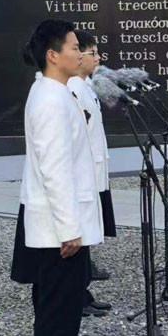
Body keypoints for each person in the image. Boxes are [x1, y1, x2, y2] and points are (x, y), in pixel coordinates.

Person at [10, 19, 103, 336]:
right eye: (72, 47)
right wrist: (69, 230)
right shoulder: (48, 99)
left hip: (66, 225)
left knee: (64, 317)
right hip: (57, 232)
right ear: (53, 55)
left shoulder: (58, 92)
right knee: (56, 319)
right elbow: (55, 170)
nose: (79, 53)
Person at [67, 31, 115, 321]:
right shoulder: (73, 86)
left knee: (88, 237)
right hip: (82, 175)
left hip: (95, 170)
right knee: (79, 238)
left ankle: (83, 292)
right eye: (93, 53)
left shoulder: (87, 85)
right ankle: (78, 296)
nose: (98, 58)